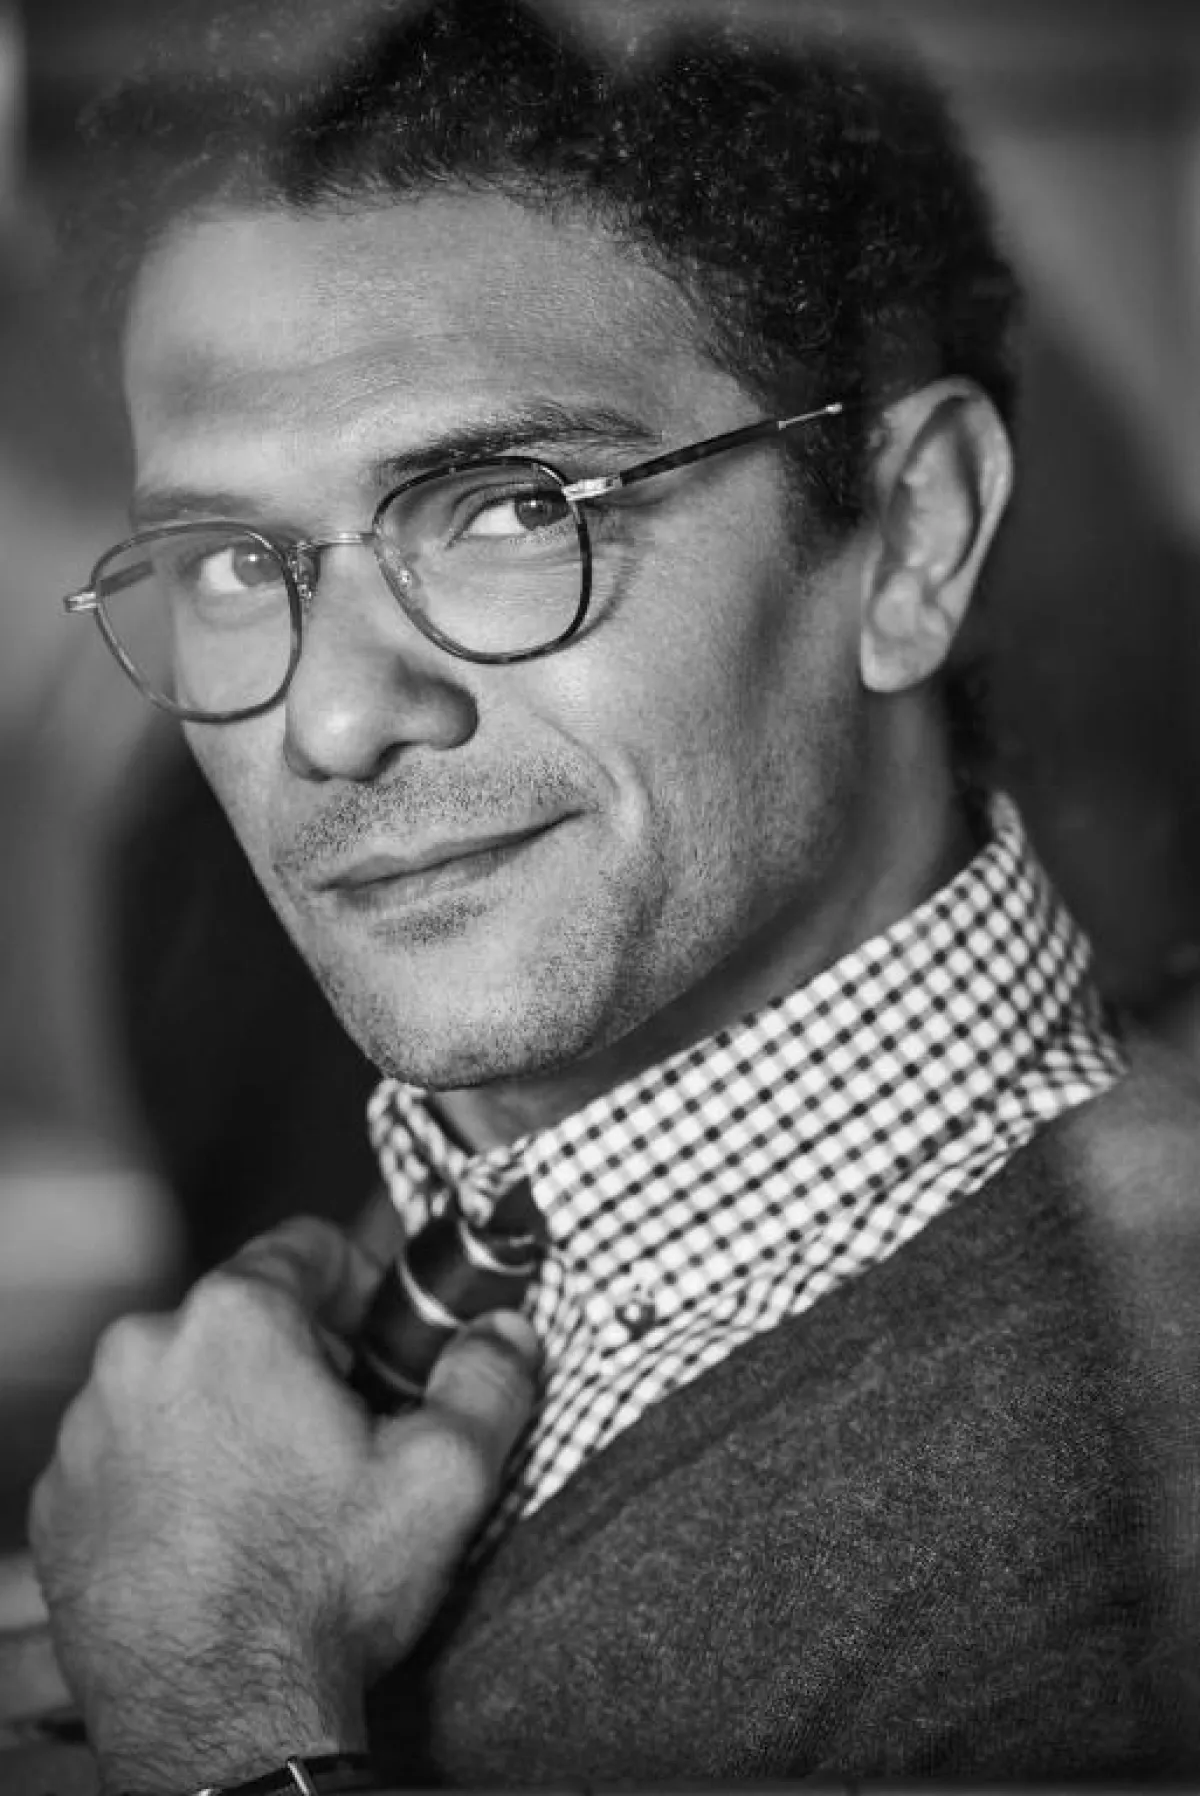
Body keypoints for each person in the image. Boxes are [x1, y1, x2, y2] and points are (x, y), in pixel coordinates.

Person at [25, 0, 1200, 1788]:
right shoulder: (479, 1206)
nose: (329, 721)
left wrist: (226, 1719)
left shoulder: (1099, 1567)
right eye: (228, 561)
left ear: (912, 535)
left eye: (512, 511)